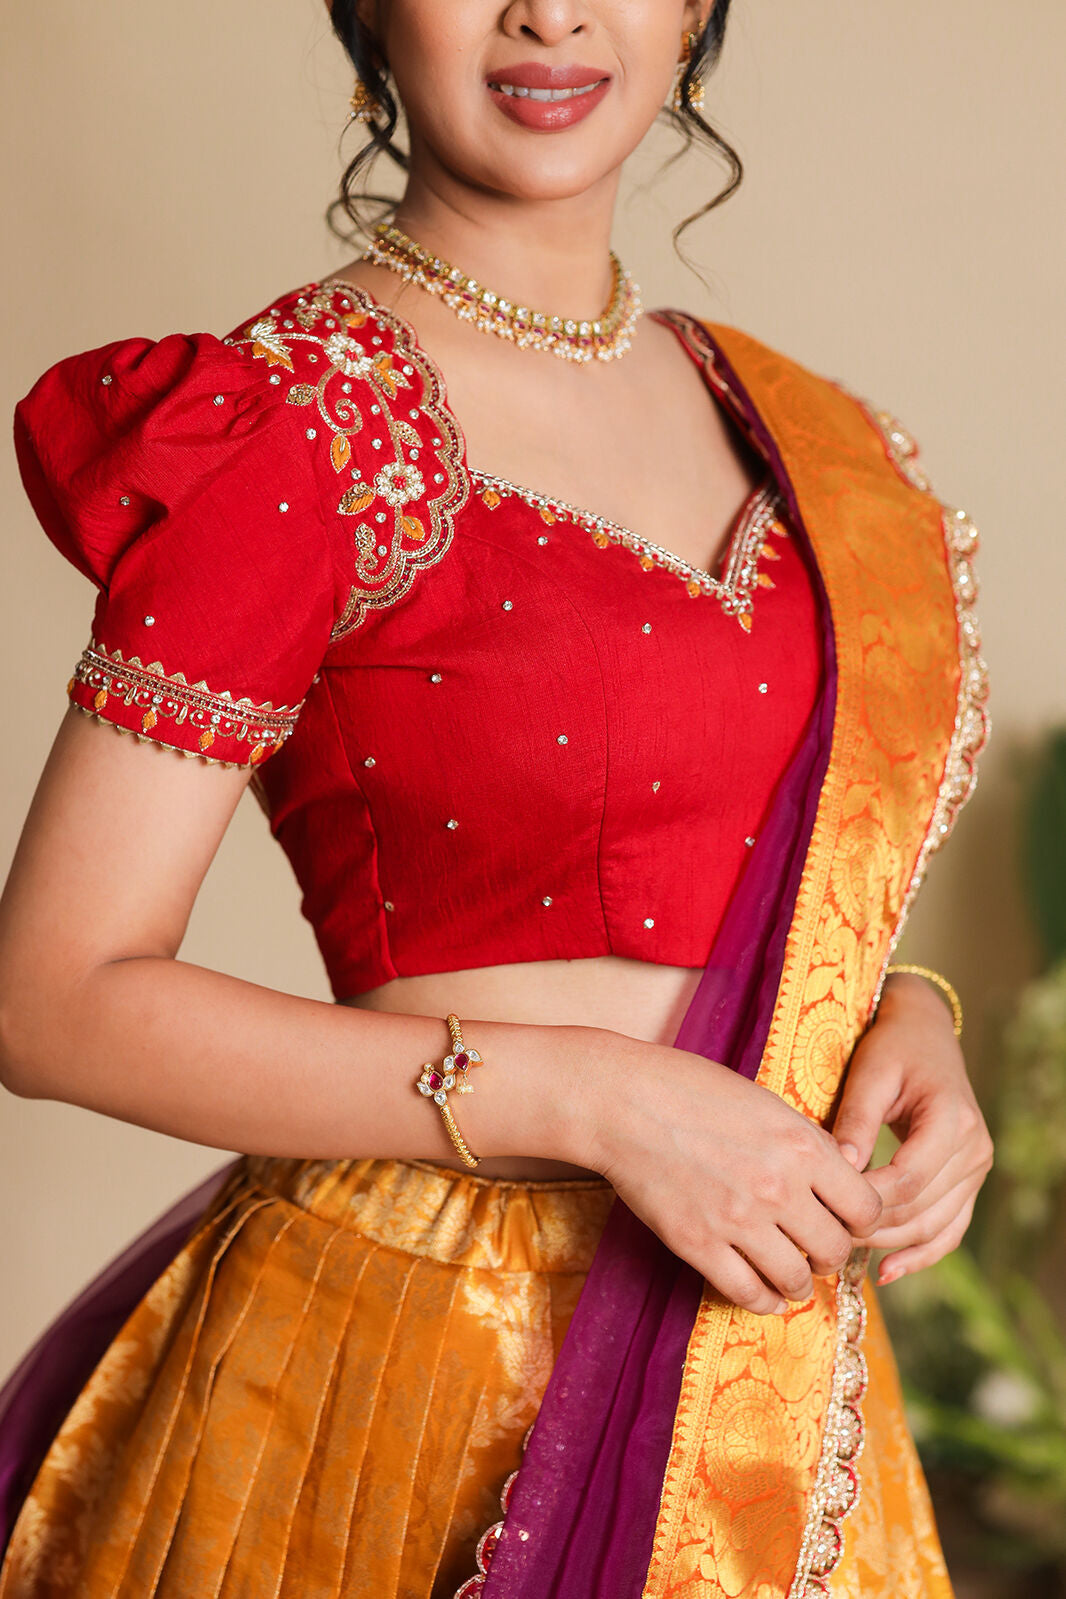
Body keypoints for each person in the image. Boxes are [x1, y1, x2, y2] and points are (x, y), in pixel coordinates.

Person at [0, 1, 994, 1595]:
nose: (550, 9)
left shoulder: (807, 436)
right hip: (411, 1356)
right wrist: (597, 1098)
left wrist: (911, 1018)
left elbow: (770, 890)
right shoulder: (295, 425)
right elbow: (50, 1001)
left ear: (695, 12)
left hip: (765, 1362)